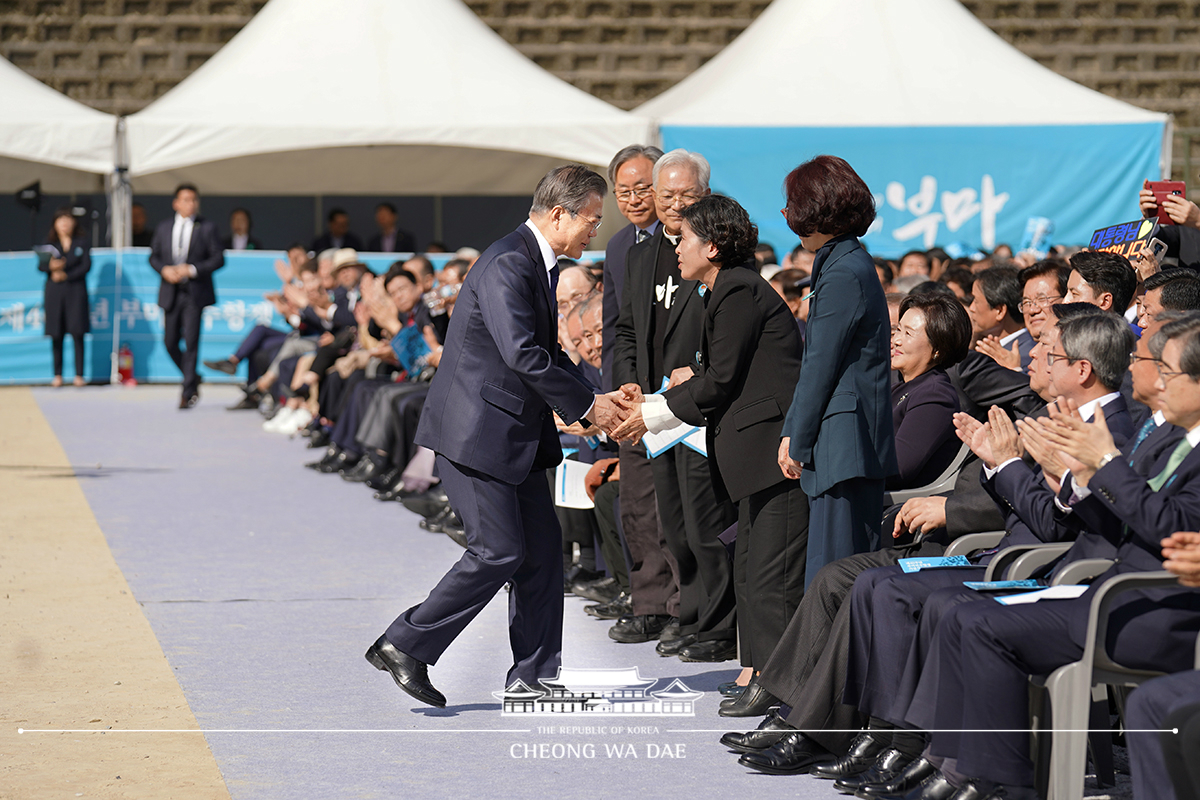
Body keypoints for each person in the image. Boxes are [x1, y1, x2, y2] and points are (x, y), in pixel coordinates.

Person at [364, 165, 631, 708]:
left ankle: (534, 675)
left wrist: (597, 397)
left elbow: (547, 354)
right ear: (559, 214)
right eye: (592, 220)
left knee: (541, 554)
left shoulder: (535, 260)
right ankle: (405, 643)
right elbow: (524, 354)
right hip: (478, 433)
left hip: (516, 433)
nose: (594, 233)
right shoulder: (511, 261)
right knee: (498, 551)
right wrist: (590, 407)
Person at [613, 193, 806, 702]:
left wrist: (651, 412)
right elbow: (722, 370)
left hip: (774, 456)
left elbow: (720, 381)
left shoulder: (738, 289)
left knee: (770, 578)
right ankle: (754, 672)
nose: (677, 247)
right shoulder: (721, 291)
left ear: (714, 247)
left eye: (688, 238)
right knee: (748, 571)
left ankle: (777, 685)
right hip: (750, 458)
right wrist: (687, 377)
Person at [612, 148, 738, 659]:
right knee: (673, 525)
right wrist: (627, 387)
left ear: (704, 195)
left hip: (699, 409)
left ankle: (718, 624)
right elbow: (626, 329)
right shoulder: (639, 253)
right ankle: (686, 616)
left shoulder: (720, 253)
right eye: (666, 195)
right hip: (652, 408)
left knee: (706, 526)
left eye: (685, 195)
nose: (673, 205)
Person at [778, 155, 897, 586]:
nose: (786, 214)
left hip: (844, 444)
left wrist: (797, 439)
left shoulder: (844, 269)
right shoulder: (841, 261)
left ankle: (830, 656)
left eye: (791, 204)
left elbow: (819, 365)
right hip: (843, 440)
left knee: (833, 576)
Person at [597, 144, 674, 626]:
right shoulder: (618, 247)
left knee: (678, 512)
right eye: (622, 191)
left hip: (678, 396)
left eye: (643, 187)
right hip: (631, 398)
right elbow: (613, 329)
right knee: (638, 506)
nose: (633, 198)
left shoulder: (686, 239)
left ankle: (682, 606)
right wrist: (616, 392)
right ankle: (647, 602)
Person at [148, 184, 225, 409]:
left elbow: (218, 258)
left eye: (194, 200)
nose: (190, 204)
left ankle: (187, 391)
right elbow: (154, 256)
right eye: (186, 200)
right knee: (170, 341)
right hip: (171, 292)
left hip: (194, 292)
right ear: (176, 203)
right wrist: (165, 270)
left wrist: (191, 269)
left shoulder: (207, 227)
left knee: (191, 341)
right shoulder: (164, 227)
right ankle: (192, 376)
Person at [39, 208, 90, 387]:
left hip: (75, 291)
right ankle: (58, 374)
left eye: (67, 220)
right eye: (60, 220)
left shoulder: (81, 242)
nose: (64, 224)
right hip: (55, 292)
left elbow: (86, 266)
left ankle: (79, 374)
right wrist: (52, 267)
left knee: (77, 332)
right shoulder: (49, 243)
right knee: (56, 333)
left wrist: (67, 275)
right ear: (54, 223)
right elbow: (41, 266)